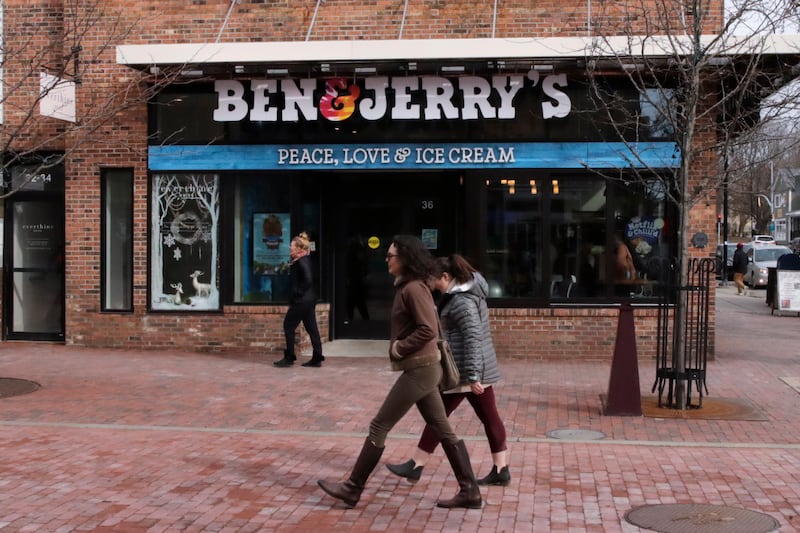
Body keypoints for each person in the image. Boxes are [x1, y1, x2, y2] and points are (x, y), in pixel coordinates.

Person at [317, 235, 482, 509]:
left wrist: (399, 348)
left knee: (380, 425)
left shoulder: (414, 289)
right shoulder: (410, 286)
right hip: (424, 367)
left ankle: (353, 487)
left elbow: (428, 328)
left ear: (404, 259)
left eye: (390, 255)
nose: (386, 259)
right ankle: (470, 491)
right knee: (443, 429)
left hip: (421, 368)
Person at [386, 254, 510, 486]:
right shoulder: (461, 295)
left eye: (434, 280)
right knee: (488, 417)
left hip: (465, 372)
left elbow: (473, 338)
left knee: (438, 416)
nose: (432, 285)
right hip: (470, 370)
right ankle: (501, 469)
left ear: (447, 276)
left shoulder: (462, 301)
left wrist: (473, 375)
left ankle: (417, 464)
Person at [274, 232, 325, 368]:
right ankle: (317, 357)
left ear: (298, 248)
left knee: (288, 326)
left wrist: (298, 293)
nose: (289, 248)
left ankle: (289, 357)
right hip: (308, 300)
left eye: (291, 246)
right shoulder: (304, 259)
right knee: (312, 328)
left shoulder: (302, 261)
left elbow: (308, 280)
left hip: (302, 301)